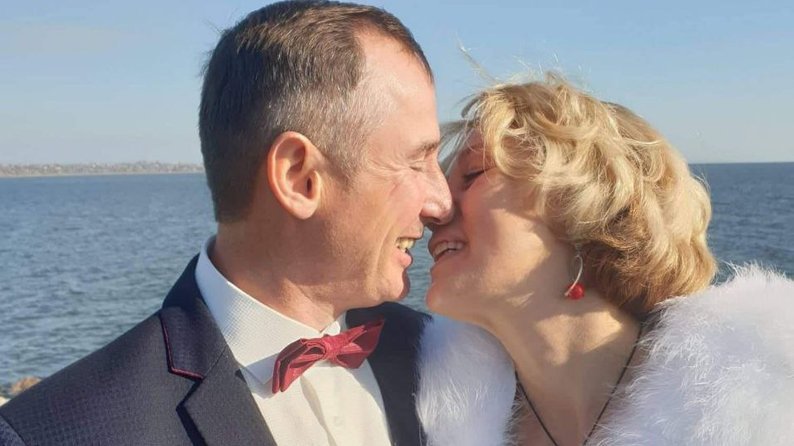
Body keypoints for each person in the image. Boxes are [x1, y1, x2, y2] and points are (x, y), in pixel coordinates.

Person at [0, 2, 451, 445]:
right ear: (299, 178)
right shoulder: (56, 433)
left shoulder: (436, 355)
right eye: (417, 162)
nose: (442, 203)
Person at [416, 74, 794, 445]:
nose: (436, 209)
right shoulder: (417, 412)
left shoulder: (764, 414)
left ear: (579, 208)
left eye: (473, 174)